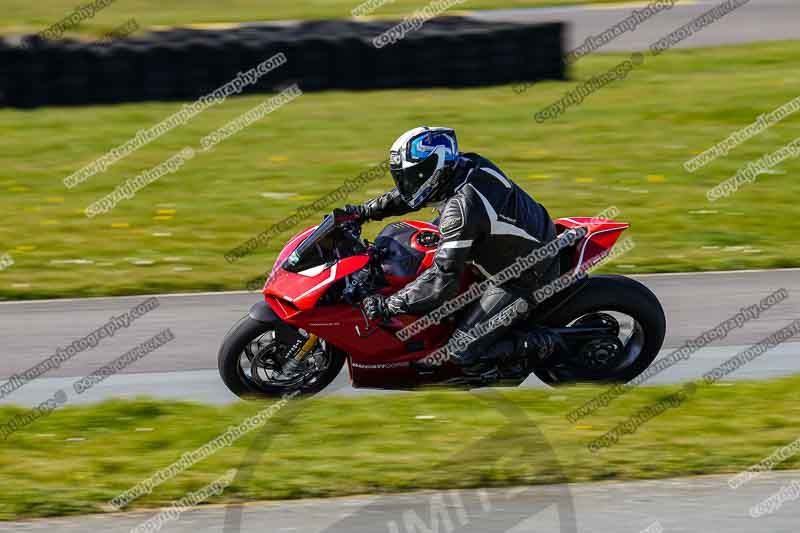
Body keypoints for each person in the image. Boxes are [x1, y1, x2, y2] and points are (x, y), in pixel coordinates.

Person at [346, 126, 560, 378]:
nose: (407, 182)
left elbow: (440, 284)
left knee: (461, 351)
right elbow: (411, 193)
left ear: (434, 169)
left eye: (414, 175)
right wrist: (364, 211)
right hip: (514, 239)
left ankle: (545, 345)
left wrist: (390, 305)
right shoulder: (463, 165)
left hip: (523, 275)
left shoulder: (460, 209)